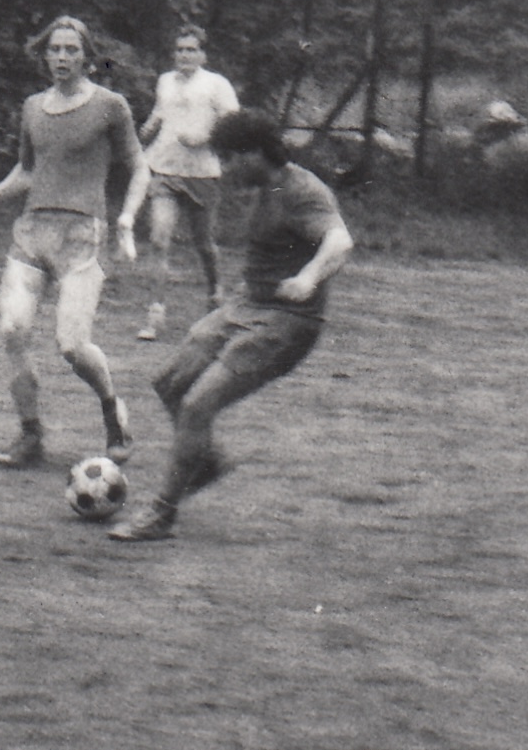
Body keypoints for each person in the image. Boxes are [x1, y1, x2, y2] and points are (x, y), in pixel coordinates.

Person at [109, 109, 354, 541]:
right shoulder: (264, 187)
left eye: (231, 158)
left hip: (287, 321)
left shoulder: (304, 191)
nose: (226, 168)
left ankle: (162, 513)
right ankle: (203, 462)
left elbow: (340, 241)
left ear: (257, 152)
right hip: (246, 306)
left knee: (196, 406)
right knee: (170, 382)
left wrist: (309, 278)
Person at [0, 15, 149, 469]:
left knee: (72, 346)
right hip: (32, 232)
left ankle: (113, 413)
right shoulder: (33, 107)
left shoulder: (110, 106)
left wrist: (127, 218)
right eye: (55, 49)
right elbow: (28, 170)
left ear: (87, 57)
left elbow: (139, 167)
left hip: (81, 236)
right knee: (12, 329)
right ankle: (30, 434)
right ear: (45, 55)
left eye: (72, 49)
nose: (62, 57)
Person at [136, 24, 240, 341]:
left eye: (191, 50)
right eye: (180, 50)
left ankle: (215, 294)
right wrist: (146, 130)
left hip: (202, 173)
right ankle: (155, 314)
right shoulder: (165, 81)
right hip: (164, 169)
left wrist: (203, 138)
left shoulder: (216, 84)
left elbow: (232, 122)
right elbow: (159, 113)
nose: (185, 55)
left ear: (202, 55)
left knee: (204, 244)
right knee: (159, 239)